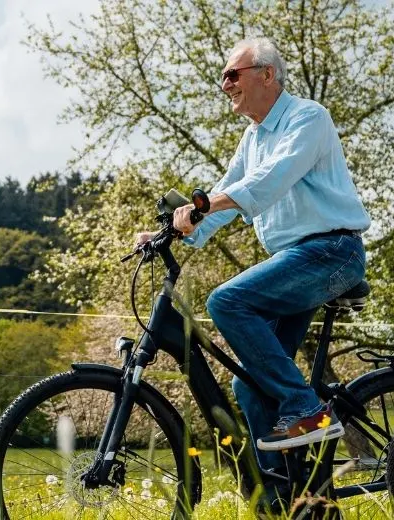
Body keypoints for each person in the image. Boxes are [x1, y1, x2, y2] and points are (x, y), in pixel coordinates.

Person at [136, 36, 371, 471]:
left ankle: (305, 408)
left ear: (267, 74)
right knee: (250, 387)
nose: (225, 84)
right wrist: (170, 230)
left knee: (227, 300)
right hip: (296, 262)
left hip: (332, 251)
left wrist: (205, 204)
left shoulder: (307, 118)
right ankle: (290, 500)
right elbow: (228, 196)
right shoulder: (253, 136)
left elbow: (270, 180)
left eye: (232, 74)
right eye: (222, 77)